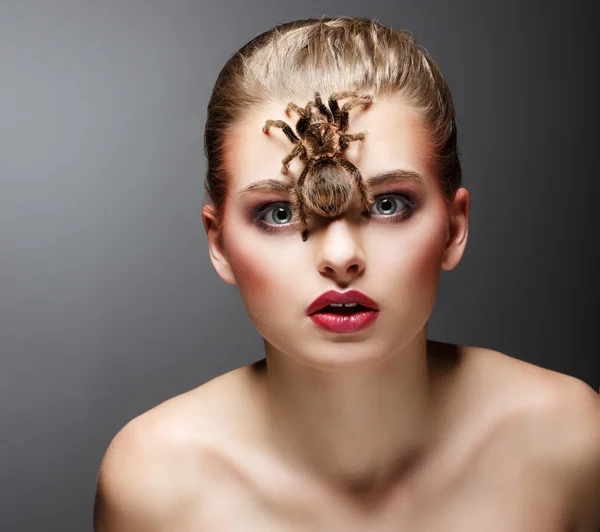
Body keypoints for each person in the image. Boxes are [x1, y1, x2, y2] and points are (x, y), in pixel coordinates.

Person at [94, 17, 600, 531]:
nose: (340, 256)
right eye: (281, 213)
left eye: (387, 204)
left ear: (453, 227)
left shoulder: (573, 442)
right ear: (219, 243)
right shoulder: (153, 483)